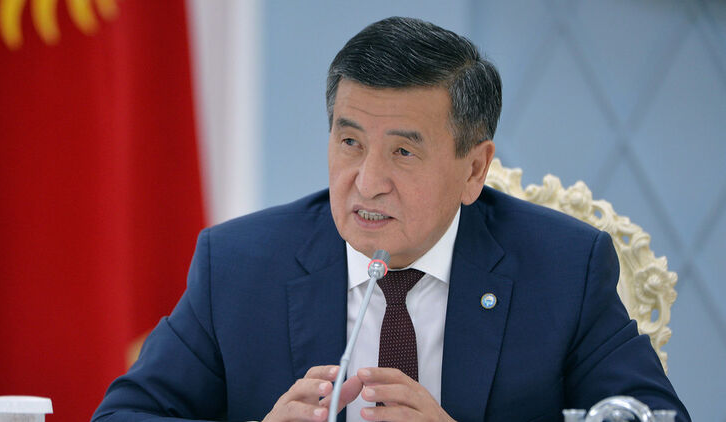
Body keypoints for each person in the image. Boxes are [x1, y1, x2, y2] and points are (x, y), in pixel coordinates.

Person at [92, 17, 689, 422]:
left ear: (474, 169)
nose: (368, 180)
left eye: (403, 151)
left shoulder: (563, 269)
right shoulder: (240, 265)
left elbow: (650, 416)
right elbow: (125, 415)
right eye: (350, 142)